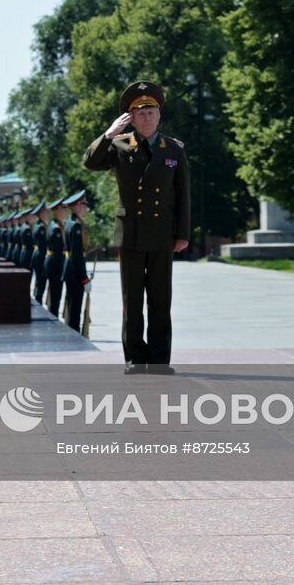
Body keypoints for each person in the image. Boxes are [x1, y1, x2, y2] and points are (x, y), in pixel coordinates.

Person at [83, 81, 190, 375]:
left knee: (160, 300)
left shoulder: (174, 149)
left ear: (159, 115)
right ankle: (134, 358)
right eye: (140, 112)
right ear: (131, 116)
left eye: (151, 111)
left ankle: (158, 360)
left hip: (161, 235)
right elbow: (90, 162)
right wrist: (109, 133)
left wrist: (183, 233)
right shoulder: (119, 145)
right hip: (130, 233)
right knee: (132, 300)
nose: (147, 117)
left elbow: (183, 195)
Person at [61, 190, 90, 332]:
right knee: (74, 311)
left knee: (71, 306)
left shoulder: (69, 223)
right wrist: (84, 278)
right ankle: (75, 339)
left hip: (70, 270)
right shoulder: (76, 226)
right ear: (77, 206)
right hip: (75, 272)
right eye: (84, 205)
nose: (86, 208)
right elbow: (77, 255)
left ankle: (71, 334)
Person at [44, 198, 68, 316]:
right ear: (57, 210)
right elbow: (58, 252)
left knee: (55, 296)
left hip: (52, 263)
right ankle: (54, 321)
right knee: (56, 297)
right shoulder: (56, 228)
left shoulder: (54, 225)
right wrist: (63, 270)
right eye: (64, 209)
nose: (66, 212)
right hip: (55, 264)